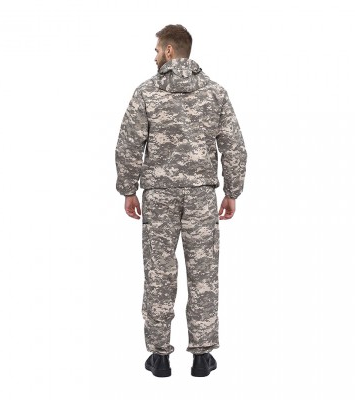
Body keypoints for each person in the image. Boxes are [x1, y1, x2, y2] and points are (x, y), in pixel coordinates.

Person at [115, 24, 247, 378]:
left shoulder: (146, 92)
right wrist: (231, 191)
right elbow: (234, 146)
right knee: (203, 275)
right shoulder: (215, 93)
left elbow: (128, 144)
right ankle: (202, 357)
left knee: (159, 273)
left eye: (157, 49)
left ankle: (159, 357)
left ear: (170, 50)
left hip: (158, 196)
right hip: (202, 196)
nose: (155, 55)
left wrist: (128, 189)